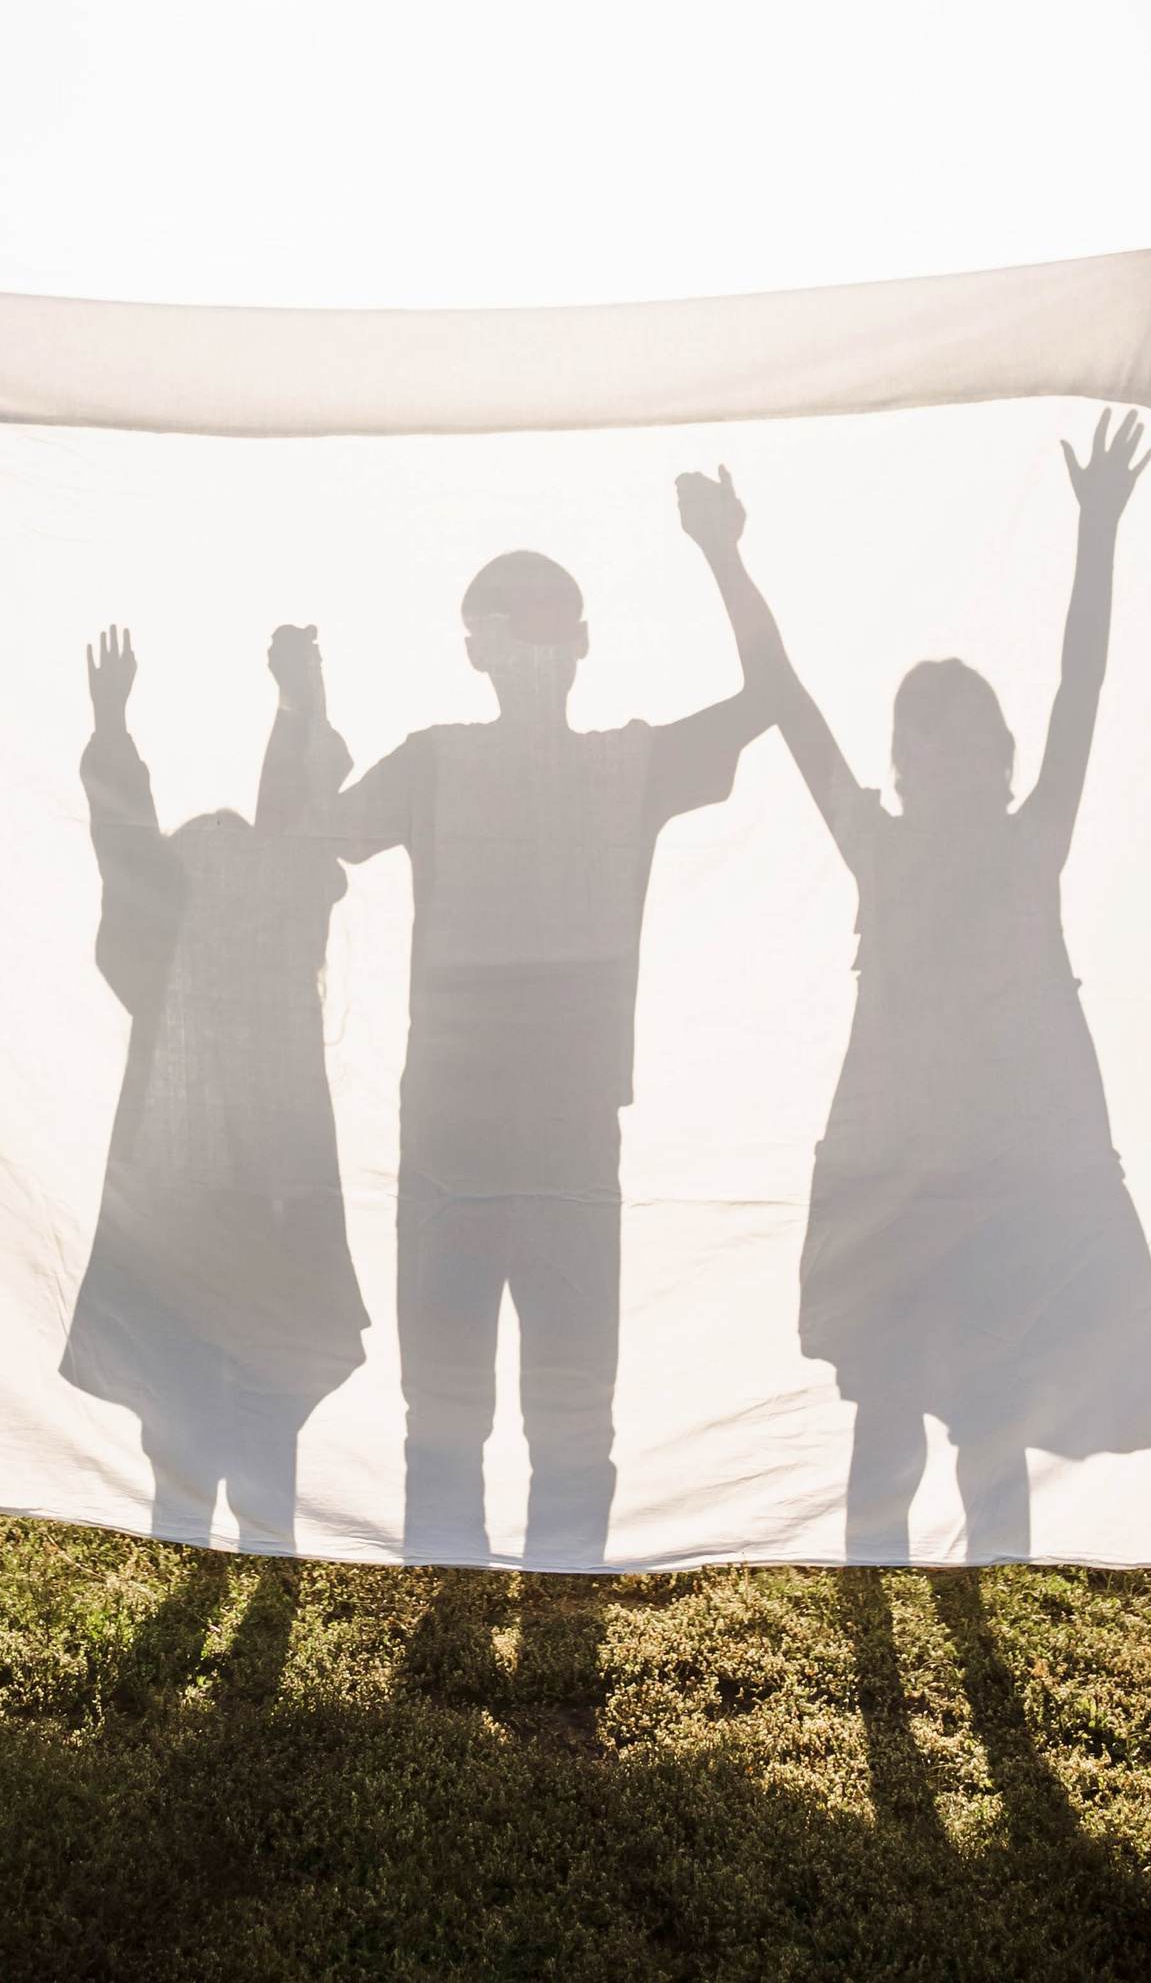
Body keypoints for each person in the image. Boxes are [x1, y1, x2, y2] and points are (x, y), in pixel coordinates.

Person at [314, 467, 792, 1567]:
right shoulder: (578, 764)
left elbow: (316, 836)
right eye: (518, 629)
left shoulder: (545, 762)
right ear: (489, 649)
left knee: (504, 1401)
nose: (533, 648)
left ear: (571, 645)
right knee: (513, 1402)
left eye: (543, 628)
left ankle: (507, 1601)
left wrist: (723, 550)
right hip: (514, 1126)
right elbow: (768, 693)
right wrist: (720, 552)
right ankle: (508, 1601)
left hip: (499, 1125)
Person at [775, 410, 1151, 1558]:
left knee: (983, 1413)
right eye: (927, 741)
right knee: (893, 1413)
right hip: (896, 1172)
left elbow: (1079, 686)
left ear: (996, 754)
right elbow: (790, 703)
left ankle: (982, 1586)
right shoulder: (889, 845)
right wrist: (725, 559)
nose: (950, 758)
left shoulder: (1021, 844)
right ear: (903, 759)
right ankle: (882, 1594)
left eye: (968, 740)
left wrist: (1098, 528)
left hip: (997, 1172)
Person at [59, 620, 367, 1549]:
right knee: (192, 1398)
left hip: (241, 1201)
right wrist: (114, 728)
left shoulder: (266, 939)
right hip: (208, 1204)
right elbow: (143, 843)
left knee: (237, 1398)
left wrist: (299, 706)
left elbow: (282, 826)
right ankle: (208, 1534)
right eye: (211, 847)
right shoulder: (204, 954)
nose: (230, 843)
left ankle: (241, 1540)